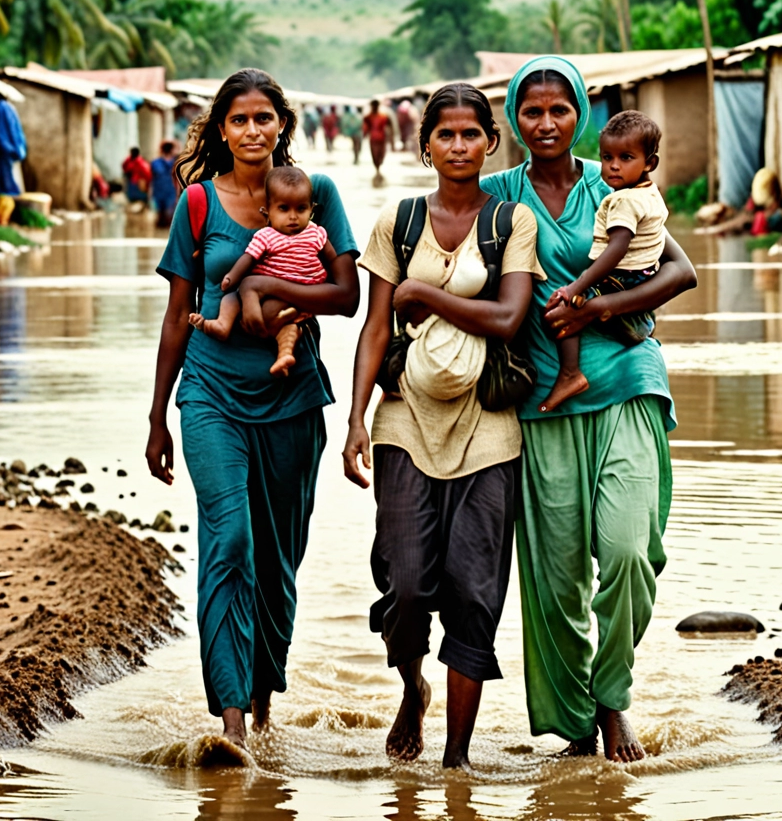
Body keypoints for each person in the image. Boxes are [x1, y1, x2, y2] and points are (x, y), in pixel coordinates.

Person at [479, 55, 696, 763]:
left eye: (560, 110)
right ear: (513, 117)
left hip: (627, 381)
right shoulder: (494, 194)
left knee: (630, 552)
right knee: (556, 578)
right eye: (532, 111)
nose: (546, 124)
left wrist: (597, 305)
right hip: (542, 401)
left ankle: (612, 701)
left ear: (582, 113)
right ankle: (575, 720)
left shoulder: (617, 177)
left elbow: (680, 271)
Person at [147, 68, 360, 756]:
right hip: (209, 392)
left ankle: (265, 701)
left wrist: (266, 282)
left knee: (279, 559)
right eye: (239, 120)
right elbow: (180, 312)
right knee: (231, 540)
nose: (252, 131)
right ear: (221, 129)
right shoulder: (199, 204)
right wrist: (157, 416)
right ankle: (233, 721)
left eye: (264, 118)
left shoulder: (313, 195)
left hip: (292, 396)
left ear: (283, 125)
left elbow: (349, 295)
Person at [343, 83, 544, 771]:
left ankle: (456, 760)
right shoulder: (397, 222)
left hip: (489, 428)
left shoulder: (510, 221)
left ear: (490, 143)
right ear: (424, 143)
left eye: (471, 134)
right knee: (405, 583)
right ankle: (411, 685)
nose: (459, 146)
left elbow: (510, 317)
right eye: (445, 134)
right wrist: (353, 422)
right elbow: (375, 325)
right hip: (403, 422)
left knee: (474, 588)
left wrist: (426, 293)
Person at [541, 110, 668, 410]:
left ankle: (570, 374)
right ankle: (640, 323)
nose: (613, 166)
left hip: (623, 277)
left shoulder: (622, 200)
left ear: (650, 163)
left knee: (563, 311)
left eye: (625, 158)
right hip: (645, 274)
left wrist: (577, 287)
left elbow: (616, 250)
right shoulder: (650, 193)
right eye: (607, 157)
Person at [189, 165, 337, 377]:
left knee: (243, 304)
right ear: (267, 212)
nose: (293, 217)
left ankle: (275, 350)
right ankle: (230, 328)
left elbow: (333, 261)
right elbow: (247, 260)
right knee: (242, 304)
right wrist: (231, 277)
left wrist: (331, 277)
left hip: (290, 294)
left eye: (301, 209)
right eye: (284, 209)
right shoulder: (269, 235)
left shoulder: (314, 233)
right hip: (282, 295)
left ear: (311, 210)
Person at [362, 99, 393, 184]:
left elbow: (390, 126)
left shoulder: (384, 116)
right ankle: (377, 171)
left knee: (381, 155)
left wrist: (391, 139)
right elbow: (365, 128)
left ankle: (378, 171)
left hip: (382, 139)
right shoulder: (368, 117)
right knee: (375, 156)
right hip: (373, 139)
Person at [150, 140, 179, 228]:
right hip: (168, 191)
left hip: (163, 191)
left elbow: (151, 179)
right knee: (165, 217)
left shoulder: (156, 163)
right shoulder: (176, 163)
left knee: (164, 216)